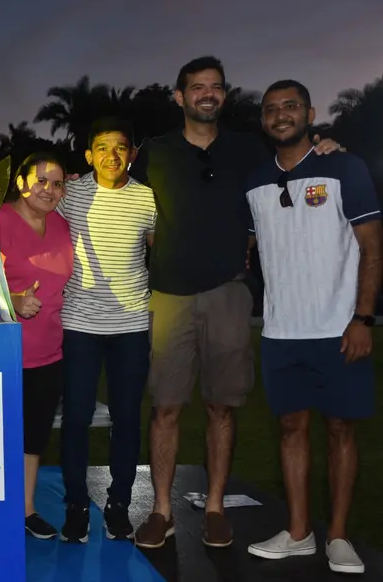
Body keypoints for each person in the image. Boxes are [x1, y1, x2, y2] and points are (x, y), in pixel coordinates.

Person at [130, 56, 343, 550]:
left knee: (221, 406)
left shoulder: (250, 150)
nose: (208, 94)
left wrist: (327, 146)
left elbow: (296, 169)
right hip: (167, 296)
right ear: (179, 97)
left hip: (228, 292)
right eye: (197, 87)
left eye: (216, 87)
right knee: (164, 408)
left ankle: (215, 507)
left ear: (224, 96)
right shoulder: (154, 152)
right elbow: (124, 208)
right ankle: (160, 511)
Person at [245, 80, 381, 575]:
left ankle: (339, 535)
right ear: (263, 121)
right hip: (281, 333)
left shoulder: (344, 167)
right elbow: (247, 248)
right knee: (290, 428)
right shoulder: (254, 183)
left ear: (309, 112)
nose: (281, 115)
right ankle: (300, 532)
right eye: (271, 109)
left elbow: (372, 247)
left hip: (340, 328)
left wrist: (363, 318)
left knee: (342, 428)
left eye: (291, 106)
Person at [58, 117, 155, 543]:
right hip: (79, 322)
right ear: (87, 155)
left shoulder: (149, 199)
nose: (111, 156)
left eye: (120, 147)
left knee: (126, 418)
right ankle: (76, 503)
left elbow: (163, 252)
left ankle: (119, 502)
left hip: (132, 324)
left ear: (132, 153)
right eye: (102, 147)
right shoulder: (70, 194)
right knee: (76, 417)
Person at [0, 153, 73, 540]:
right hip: (2, 350)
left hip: (50, 350)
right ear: (22, 182)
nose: (49, 190)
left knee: (34, 435)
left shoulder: (62, 225)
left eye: (58, 183)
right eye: (41, 180)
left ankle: (26, 510)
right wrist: (9, 298)